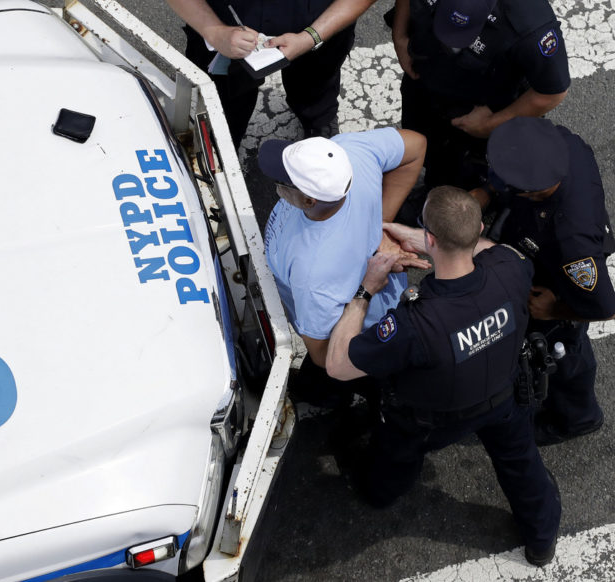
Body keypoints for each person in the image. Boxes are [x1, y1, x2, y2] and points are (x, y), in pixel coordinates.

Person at [325, 186, 561, 567]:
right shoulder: (510, 270)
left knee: (392, 461)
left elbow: (337, 365)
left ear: (430, 238)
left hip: (432, 420)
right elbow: (491, 251)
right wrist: (434, 239)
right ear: (481, 227)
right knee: (522, 464)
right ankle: (542, 541)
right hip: (504, 396)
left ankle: (378, 494)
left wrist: (365, 292)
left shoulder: (415, 323)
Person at [482, 116, 615, 446]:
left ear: (536, 191)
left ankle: (577, 417)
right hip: (532, 242)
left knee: (563, 351)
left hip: (554, 283)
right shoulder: (561, 145)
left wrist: (555, 309)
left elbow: (605, 307)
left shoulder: (571, 243)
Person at [261, 128, 427, 377]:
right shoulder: (348, 152)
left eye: (282, 183)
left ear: (309, 201)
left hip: (363, 330)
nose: (277, 187)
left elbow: (323, 354)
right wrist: (381, 224)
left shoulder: (311, 274)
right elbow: (416, 144)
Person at [390, 0, 570, 190]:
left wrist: (489, 124)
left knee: (455, 175)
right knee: (416, 140)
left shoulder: (530, 25)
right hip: (423, 79)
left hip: (471, 110)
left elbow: (552, 92)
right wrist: (399, 36)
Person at [166, 0, 376, 148]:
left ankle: (318, 119)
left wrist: (311, 37)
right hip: (226, 26)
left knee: (316, 83)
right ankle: (224, 147)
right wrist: (214, 31)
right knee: (226, 103)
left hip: (320, 20)